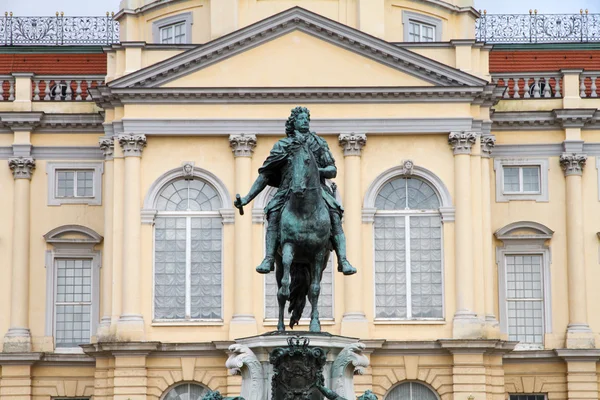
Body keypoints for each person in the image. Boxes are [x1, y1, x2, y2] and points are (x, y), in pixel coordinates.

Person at [234, 106, 356, 276]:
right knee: (273, 212)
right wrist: (247, 198)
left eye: (307, 118)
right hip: (287, 191)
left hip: (318, 190)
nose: (305, 121)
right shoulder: (283, 145)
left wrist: (315, 171)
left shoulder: (319, 143)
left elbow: (332, 170)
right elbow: (266, 175)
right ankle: (269, 258)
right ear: (293, 123)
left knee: (335, 213)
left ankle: (343, 259)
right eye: (300, 118)